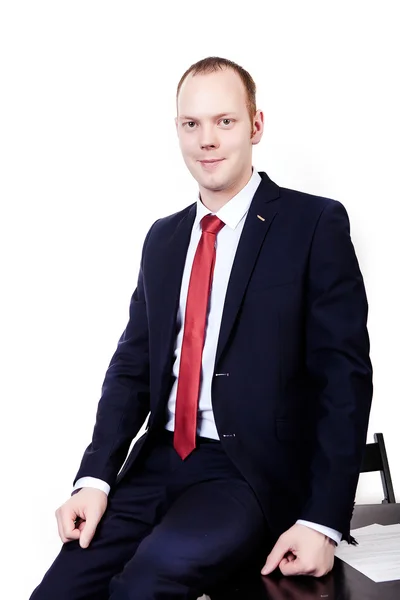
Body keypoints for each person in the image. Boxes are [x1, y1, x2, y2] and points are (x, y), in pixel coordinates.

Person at [30, 56, 373, 600]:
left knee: (143, 586)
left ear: (256, 125)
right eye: (192, 124)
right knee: (57, 593)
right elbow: (132, 367)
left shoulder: (313, 224)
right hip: (157, 460)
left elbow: (344, 379)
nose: (207, 139)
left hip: (245, 475)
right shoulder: (163, 239)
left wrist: (322, 521)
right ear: (178, 131)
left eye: (225, 121)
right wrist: (93, 478)